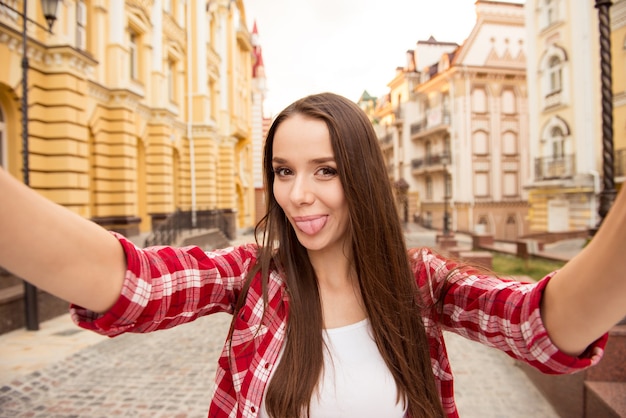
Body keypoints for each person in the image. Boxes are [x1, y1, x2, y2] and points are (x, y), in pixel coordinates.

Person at [0, 92, 625, 418]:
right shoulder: (251, 276)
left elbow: (542, 324)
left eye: (325, 170)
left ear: (363, 175)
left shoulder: (419, 282)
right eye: (283, 171)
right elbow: (131, 283)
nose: (299, 196)